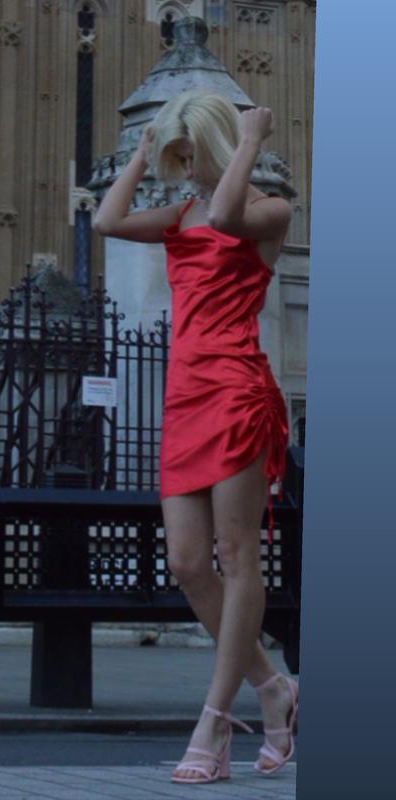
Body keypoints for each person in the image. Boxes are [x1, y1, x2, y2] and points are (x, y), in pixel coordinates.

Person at [95, 90, 298, 785]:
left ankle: (213, 722)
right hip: (184, 399)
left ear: (214, 144)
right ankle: (272, 686)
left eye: (190, 154)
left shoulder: (268, 211)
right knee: (186, 562)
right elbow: (107, 220)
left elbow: (229, 215)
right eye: (178, 159)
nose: (185, 169)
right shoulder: (181, 214)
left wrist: (250, 141)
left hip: (237, 391)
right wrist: (144, 151)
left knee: (237, 555)